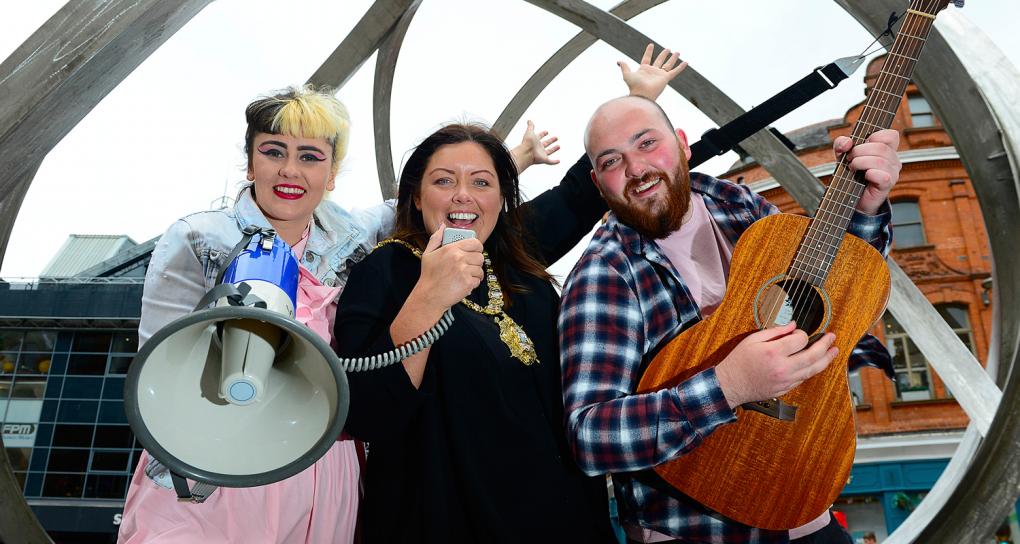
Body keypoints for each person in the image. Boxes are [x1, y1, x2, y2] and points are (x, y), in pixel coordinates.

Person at [116, 84, 560, 543]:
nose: (291, 170)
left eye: (310, 156)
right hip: (215, 473)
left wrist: (516, 159)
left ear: (331, 174)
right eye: (273, 151)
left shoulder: (351, 234)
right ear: (249, 163)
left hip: (318, 474)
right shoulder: (197, 238)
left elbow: (449, 200)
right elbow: (159, 370)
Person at [558, 48, 902, 543]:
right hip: (696, 531)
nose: (636, 168)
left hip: (808, 513)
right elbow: (590, 438)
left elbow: (839, 291)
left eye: (647, 143)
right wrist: (728, 386)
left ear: (681, 144)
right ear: (597, 182)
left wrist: (866, 208)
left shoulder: (738, 204)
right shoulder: (605, 272)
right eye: (612, 161)